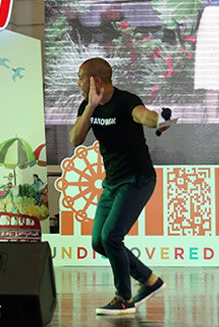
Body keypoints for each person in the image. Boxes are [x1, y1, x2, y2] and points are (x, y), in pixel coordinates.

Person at [69, 57, 168, 315]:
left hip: (137, 179)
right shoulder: (87, 106)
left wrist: (158, 120)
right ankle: (149, 280)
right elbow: (75, 139)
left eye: (80, 78)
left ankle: (124, 298)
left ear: (95, 80)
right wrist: (91, 106)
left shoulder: (125, 101)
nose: (78, 84)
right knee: (99, 242)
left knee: (111, 236)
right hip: (112, 183)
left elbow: (143, 115)